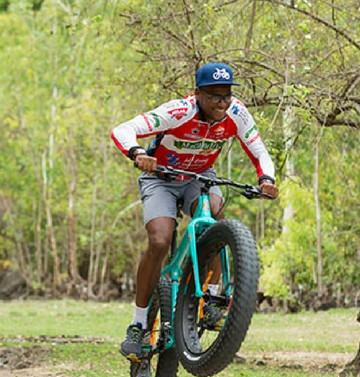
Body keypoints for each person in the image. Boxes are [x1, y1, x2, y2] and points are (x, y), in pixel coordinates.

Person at [111, 62, 280, 360]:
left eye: (226, 95)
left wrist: (266, 179)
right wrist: (137, 153)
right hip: (160, 177)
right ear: (198, 94)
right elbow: (124, 130)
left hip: (199, 177)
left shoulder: (236, 113)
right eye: (214, 96)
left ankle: (210, 297)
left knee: (214, 216)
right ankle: (138, 324)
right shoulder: (178, 111)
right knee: (160, 240)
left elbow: (259, 150)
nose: (222, 103)